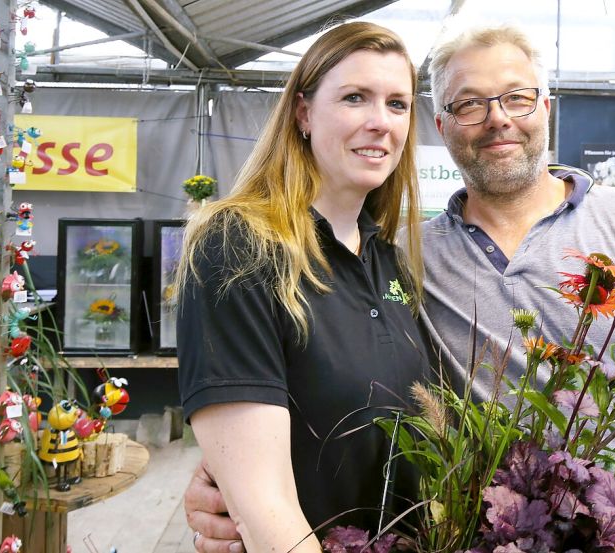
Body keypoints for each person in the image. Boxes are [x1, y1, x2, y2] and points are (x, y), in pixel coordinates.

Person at [185, 24, 615, 553]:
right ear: (440, 126)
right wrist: (234, 483)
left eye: (517, 97)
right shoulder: (413, 254)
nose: (498, 118)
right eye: (469, 104)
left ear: (547, 109)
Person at [176, 21, 429, 553]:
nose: (380, 122)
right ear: (304, 113)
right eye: (355, 98)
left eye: (398, 104)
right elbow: (264, 508)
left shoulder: (387, 258)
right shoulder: (238, 248)